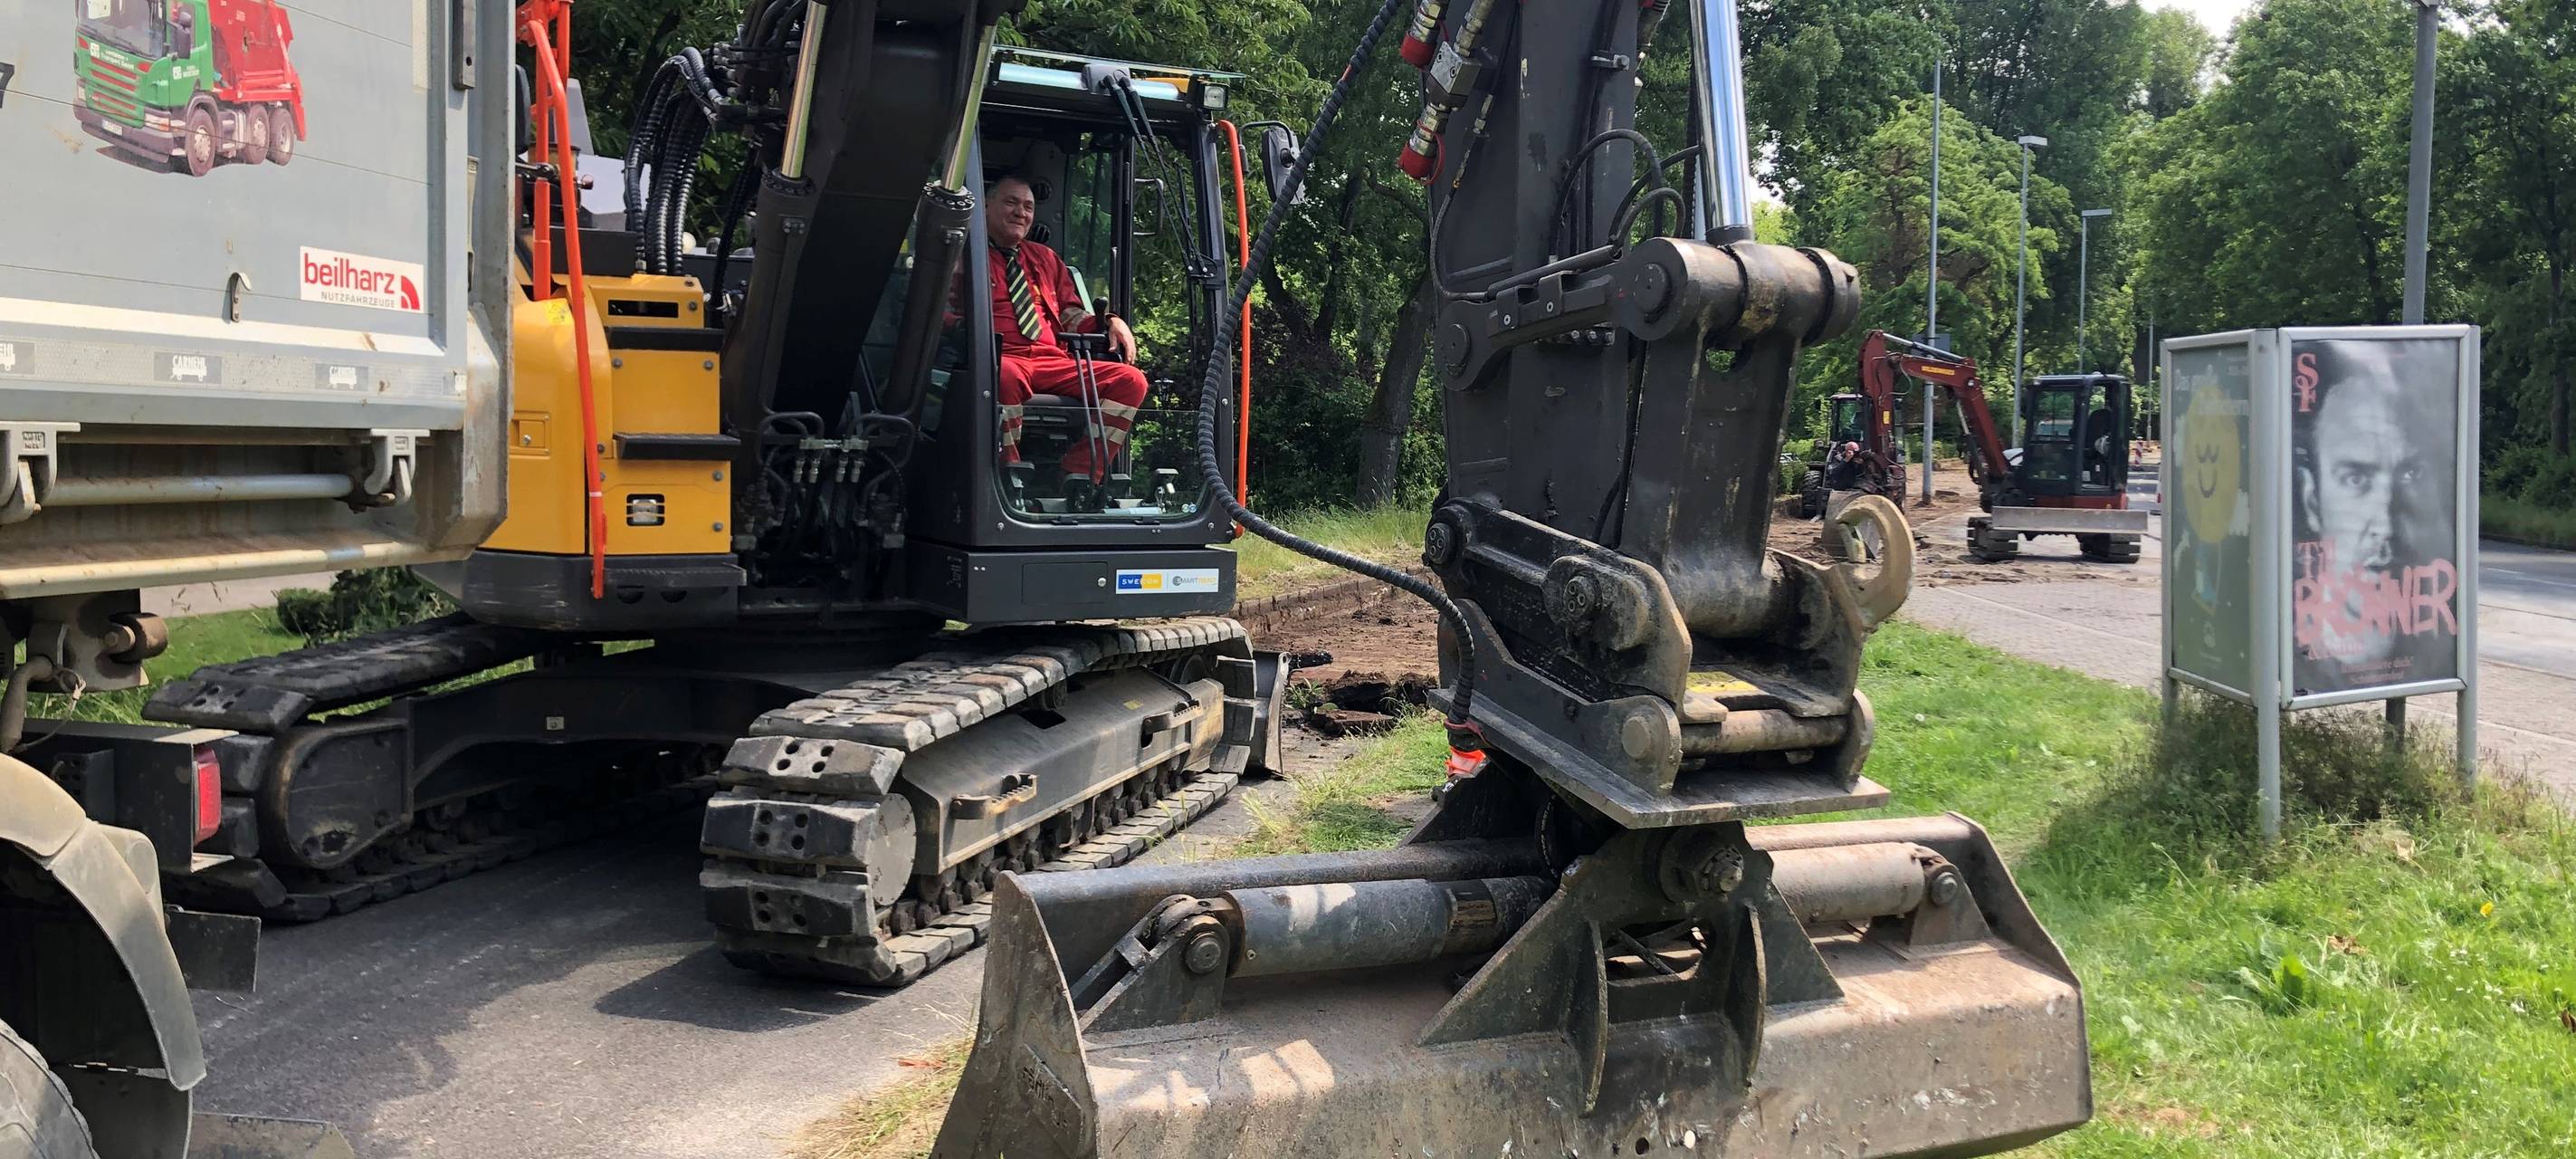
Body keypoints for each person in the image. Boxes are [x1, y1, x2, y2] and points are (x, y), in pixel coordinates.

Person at [981, 174, 1146, 496]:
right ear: (986, 207)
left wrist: (1110, 320)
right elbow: (946, 315)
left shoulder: (1045, 259)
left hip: (1053, 362)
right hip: (1000, 358)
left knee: (1132, 381)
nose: (1021, 213)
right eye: (1011, 203)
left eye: (1028, 207)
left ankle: (1081, 475)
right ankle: (1007, 475)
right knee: (1006, 375)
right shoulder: (965, 254)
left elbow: (1072, 316)